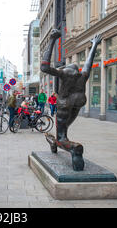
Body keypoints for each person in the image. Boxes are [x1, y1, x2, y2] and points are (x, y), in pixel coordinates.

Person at [41, 29, 102, 171]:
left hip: (64, 104)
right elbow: (89, 62)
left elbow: (44, 67)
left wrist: (51, 40)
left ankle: (75, 149)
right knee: (63, 129)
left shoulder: (64, 74)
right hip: (78, 103)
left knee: (62, 135)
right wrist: (94, 45)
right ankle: (56, 142)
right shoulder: (82, 76)